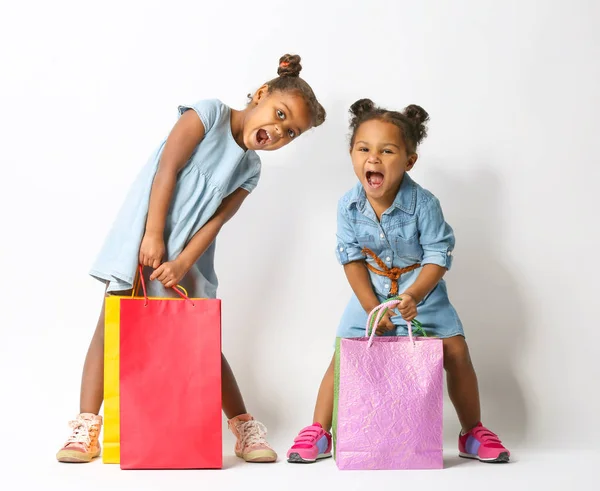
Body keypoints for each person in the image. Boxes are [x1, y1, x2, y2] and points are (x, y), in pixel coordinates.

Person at [56, 54, 326, 464]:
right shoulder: (210, 114)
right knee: (111, 324)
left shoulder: (250, 169)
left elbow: (216, 222)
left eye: (291, 132)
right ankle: (86, 426)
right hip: (145, 232)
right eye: (279, 115)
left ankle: (243, 425)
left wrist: (182, 263)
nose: (278, 131)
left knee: (199, 338)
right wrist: (151, 234)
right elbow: (167, 168)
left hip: (186, 257)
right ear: (261, 94)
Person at [287, 99, 510, 464]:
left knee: (455, 351)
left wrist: (415, 295)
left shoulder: (424, 204)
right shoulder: (348, 206)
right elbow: (352, 258)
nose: (373, 159)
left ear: (409, 161)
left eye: (387, 151)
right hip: (369, 293)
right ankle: (320, 431)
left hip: (424, 292)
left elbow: (439, 255)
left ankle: (472, 430)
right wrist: (370, 307)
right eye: (364, 149)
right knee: (344, 353)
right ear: (351, 154)